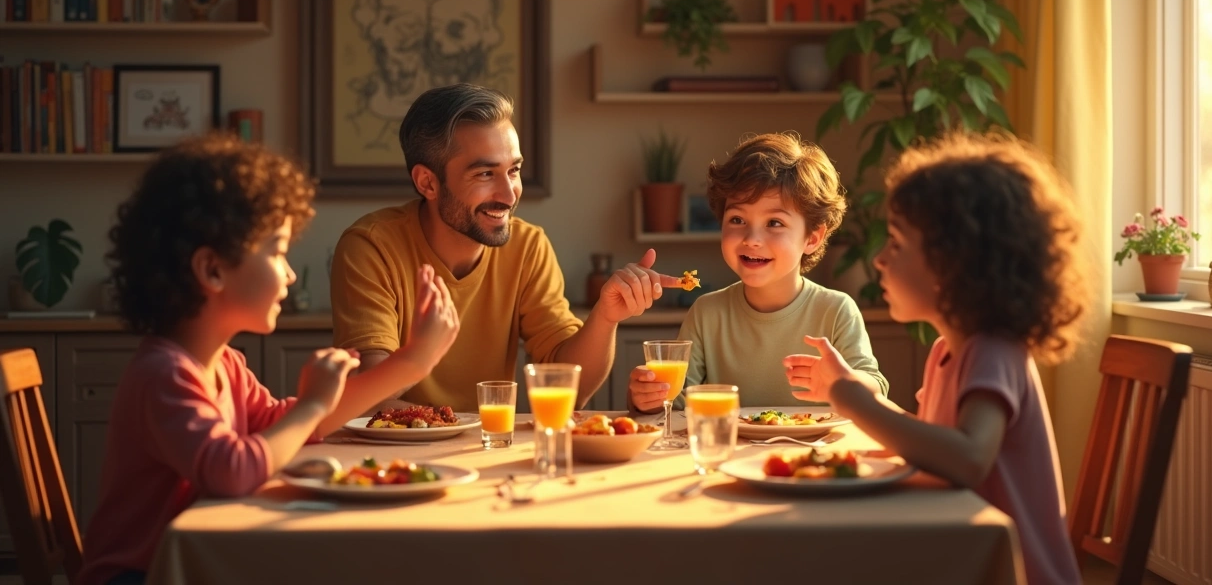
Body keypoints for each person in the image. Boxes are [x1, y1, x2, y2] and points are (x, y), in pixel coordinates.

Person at [76, 135, 460, 585]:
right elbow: (231, 470)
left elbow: (288, 428)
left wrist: (412, 363)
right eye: (278, 252)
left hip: (205, 557)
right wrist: (313, 404)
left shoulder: (225, 365)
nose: (291, 273)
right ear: (213, 270)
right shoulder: (164, 375)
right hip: (139, 575)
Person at [794, 133, 1089, 585]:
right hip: (958, 554)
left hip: (1010, 571)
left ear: (952, 261)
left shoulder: (993, 350)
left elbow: (968, 458)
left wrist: (855, 400)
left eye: (895, 242)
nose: (878, 260)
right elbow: (929, 441)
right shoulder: (948, 351)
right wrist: (851, 390)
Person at [330, 83, 683, 413]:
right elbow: (370, 397)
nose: (509, 193)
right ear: (428, 182)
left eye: (513, 170)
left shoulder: (528, 246)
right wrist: (459, 428)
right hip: (397, 462)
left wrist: (606, 317)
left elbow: (570, 390)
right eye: (485, 174)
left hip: (490, 448)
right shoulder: (371, 247)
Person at [628, 132, 887, 412]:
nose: (752, 238)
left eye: (774, 223)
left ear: (812, 238)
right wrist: (645, 397)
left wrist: (846, 381)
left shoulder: (836, 310)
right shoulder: (707, 313)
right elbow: (674, 403)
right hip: (728, 451)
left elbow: (875, 388)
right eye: (737, 219)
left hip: (812, 453)